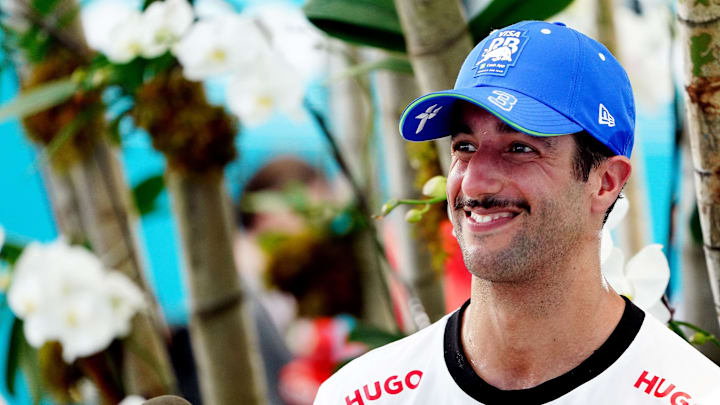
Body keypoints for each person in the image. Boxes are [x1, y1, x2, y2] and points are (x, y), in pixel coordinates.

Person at [312, 21, 720, 404]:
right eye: (464, 147)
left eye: (520, 148)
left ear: (606, 182)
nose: (473, 184)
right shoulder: (361, 395)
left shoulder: (693, 393)